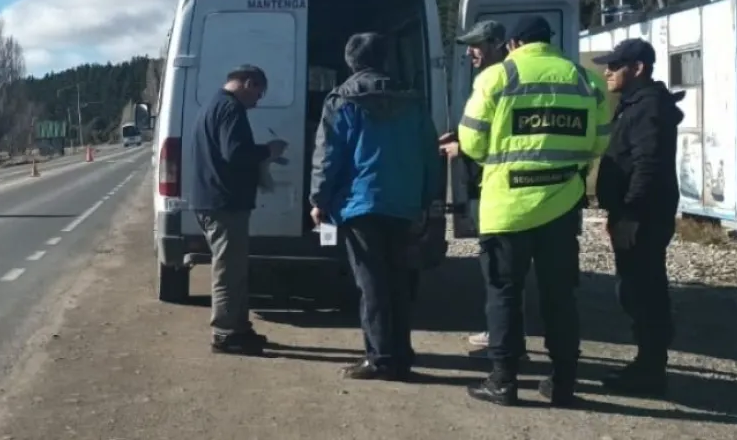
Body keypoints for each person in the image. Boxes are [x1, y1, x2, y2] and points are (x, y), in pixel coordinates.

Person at [455, 15, 610, 406]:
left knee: (504, 293)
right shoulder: (585, 79)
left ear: (513, 44)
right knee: (560, 296)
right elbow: (599, 141)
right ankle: (563, 383)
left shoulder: (497, 78)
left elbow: (471, 142)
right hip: (560, 207)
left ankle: (504, 382)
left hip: (507, 209)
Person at [309, 32, 441, 381]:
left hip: (361, 204)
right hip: (404, 203)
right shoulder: (412, 100)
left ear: (350, 62)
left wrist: (319, 200)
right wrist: (429, 199)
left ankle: (381, 358)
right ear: (386, 59)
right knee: (399, 281)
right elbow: (430, 153)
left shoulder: (342, 100)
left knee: (371, 285)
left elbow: (329, 155)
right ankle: (401, 352)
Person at [592, 38, 683, 397]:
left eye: (616, 65)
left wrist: (630, 213)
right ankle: (646, 363)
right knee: (635, 290)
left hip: (643, 216)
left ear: (639, 68)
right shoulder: (636, 104)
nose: (607, 72)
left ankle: (650, 369)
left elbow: (648, 164)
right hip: (635, 213)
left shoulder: (648, 108)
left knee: (643, 291)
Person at [439, 20, 531, 357]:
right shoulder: (504, 78)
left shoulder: (498, 79)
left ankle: (504, 342)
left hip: (500, 190)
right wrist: (460, 137)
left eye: (476, 45)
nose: (470, 52)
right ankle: (503, 333)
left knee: (501, 273)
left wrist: (461, 148)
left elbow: (499, 140)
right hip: (503, 187)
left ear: (497, 43)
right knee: (506, 272)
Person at [189, 65, 288, 355]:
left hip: (213, 199)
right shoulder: (231, 110)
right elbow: (235, 153)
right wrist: (268, 151)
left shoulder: (212, 106)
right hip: (224, 203)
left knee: (234, 269)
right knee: (229, 271)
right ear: (247, 83)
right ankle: (226, 333)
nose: (258, 102)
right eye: (259, 93)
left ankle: (239, 328)